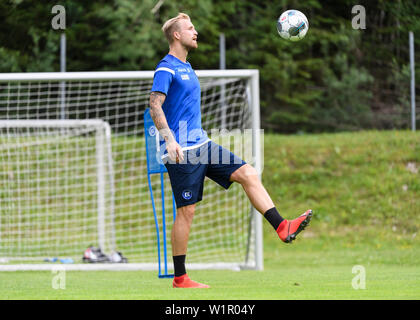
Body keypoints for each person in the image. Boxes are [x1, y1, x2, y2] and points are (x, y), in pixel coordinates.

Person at [149, 13, 312, 289]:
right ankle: (180, 278)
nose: (195, 31)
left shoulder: (188, 67)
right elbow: (155, 104)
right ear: (176, 35)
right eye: (190, 28)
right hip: (181, 151)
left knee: (248, 173)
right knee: (186, 211)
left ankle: (282, 226)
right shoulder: (166, 68)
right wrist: (169, 140)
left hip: (202, 144)